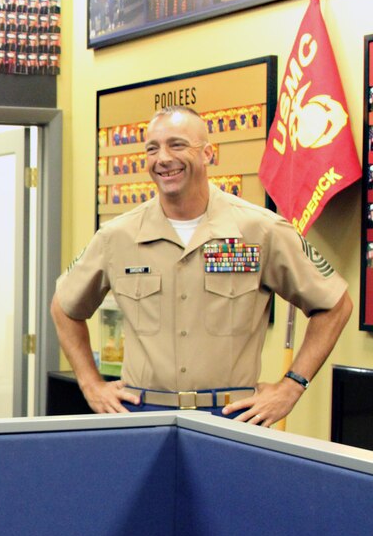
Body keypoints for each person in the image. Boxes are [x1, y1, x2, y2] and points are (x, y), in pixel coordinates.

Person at [51, 106, 351, 426]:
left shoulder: (260, 230)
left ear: (208, 153)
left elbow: (335, 305)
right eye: (152, 148)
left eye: (177, 145)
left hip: (232, 416)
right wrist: (90, 384)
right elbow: (64, 307)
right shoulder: (117, 237)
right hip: (141, 414)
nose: (163, 158)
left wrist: (291, 386)